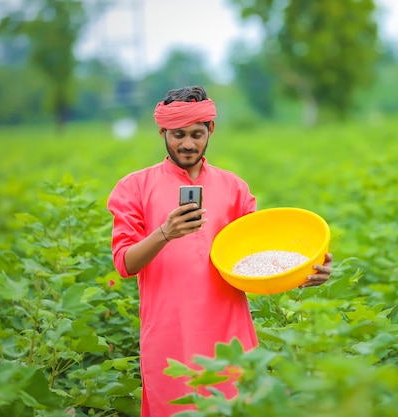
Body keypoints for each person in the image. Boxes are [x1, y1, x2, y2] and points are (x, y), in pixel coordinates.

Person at [106, 85, 333, 416]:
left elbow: (260, 261)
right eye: (177, 134)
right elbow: (124, 263)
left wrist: (305, 272)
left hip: (230, 334)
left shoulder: (234, 188)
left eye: (196, 134)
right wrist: (164, 233)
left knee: (238, 406)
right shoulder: (133, 188)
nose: (187, 143)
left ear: (210, 129)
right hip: (169, 334)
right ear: (162, 131)